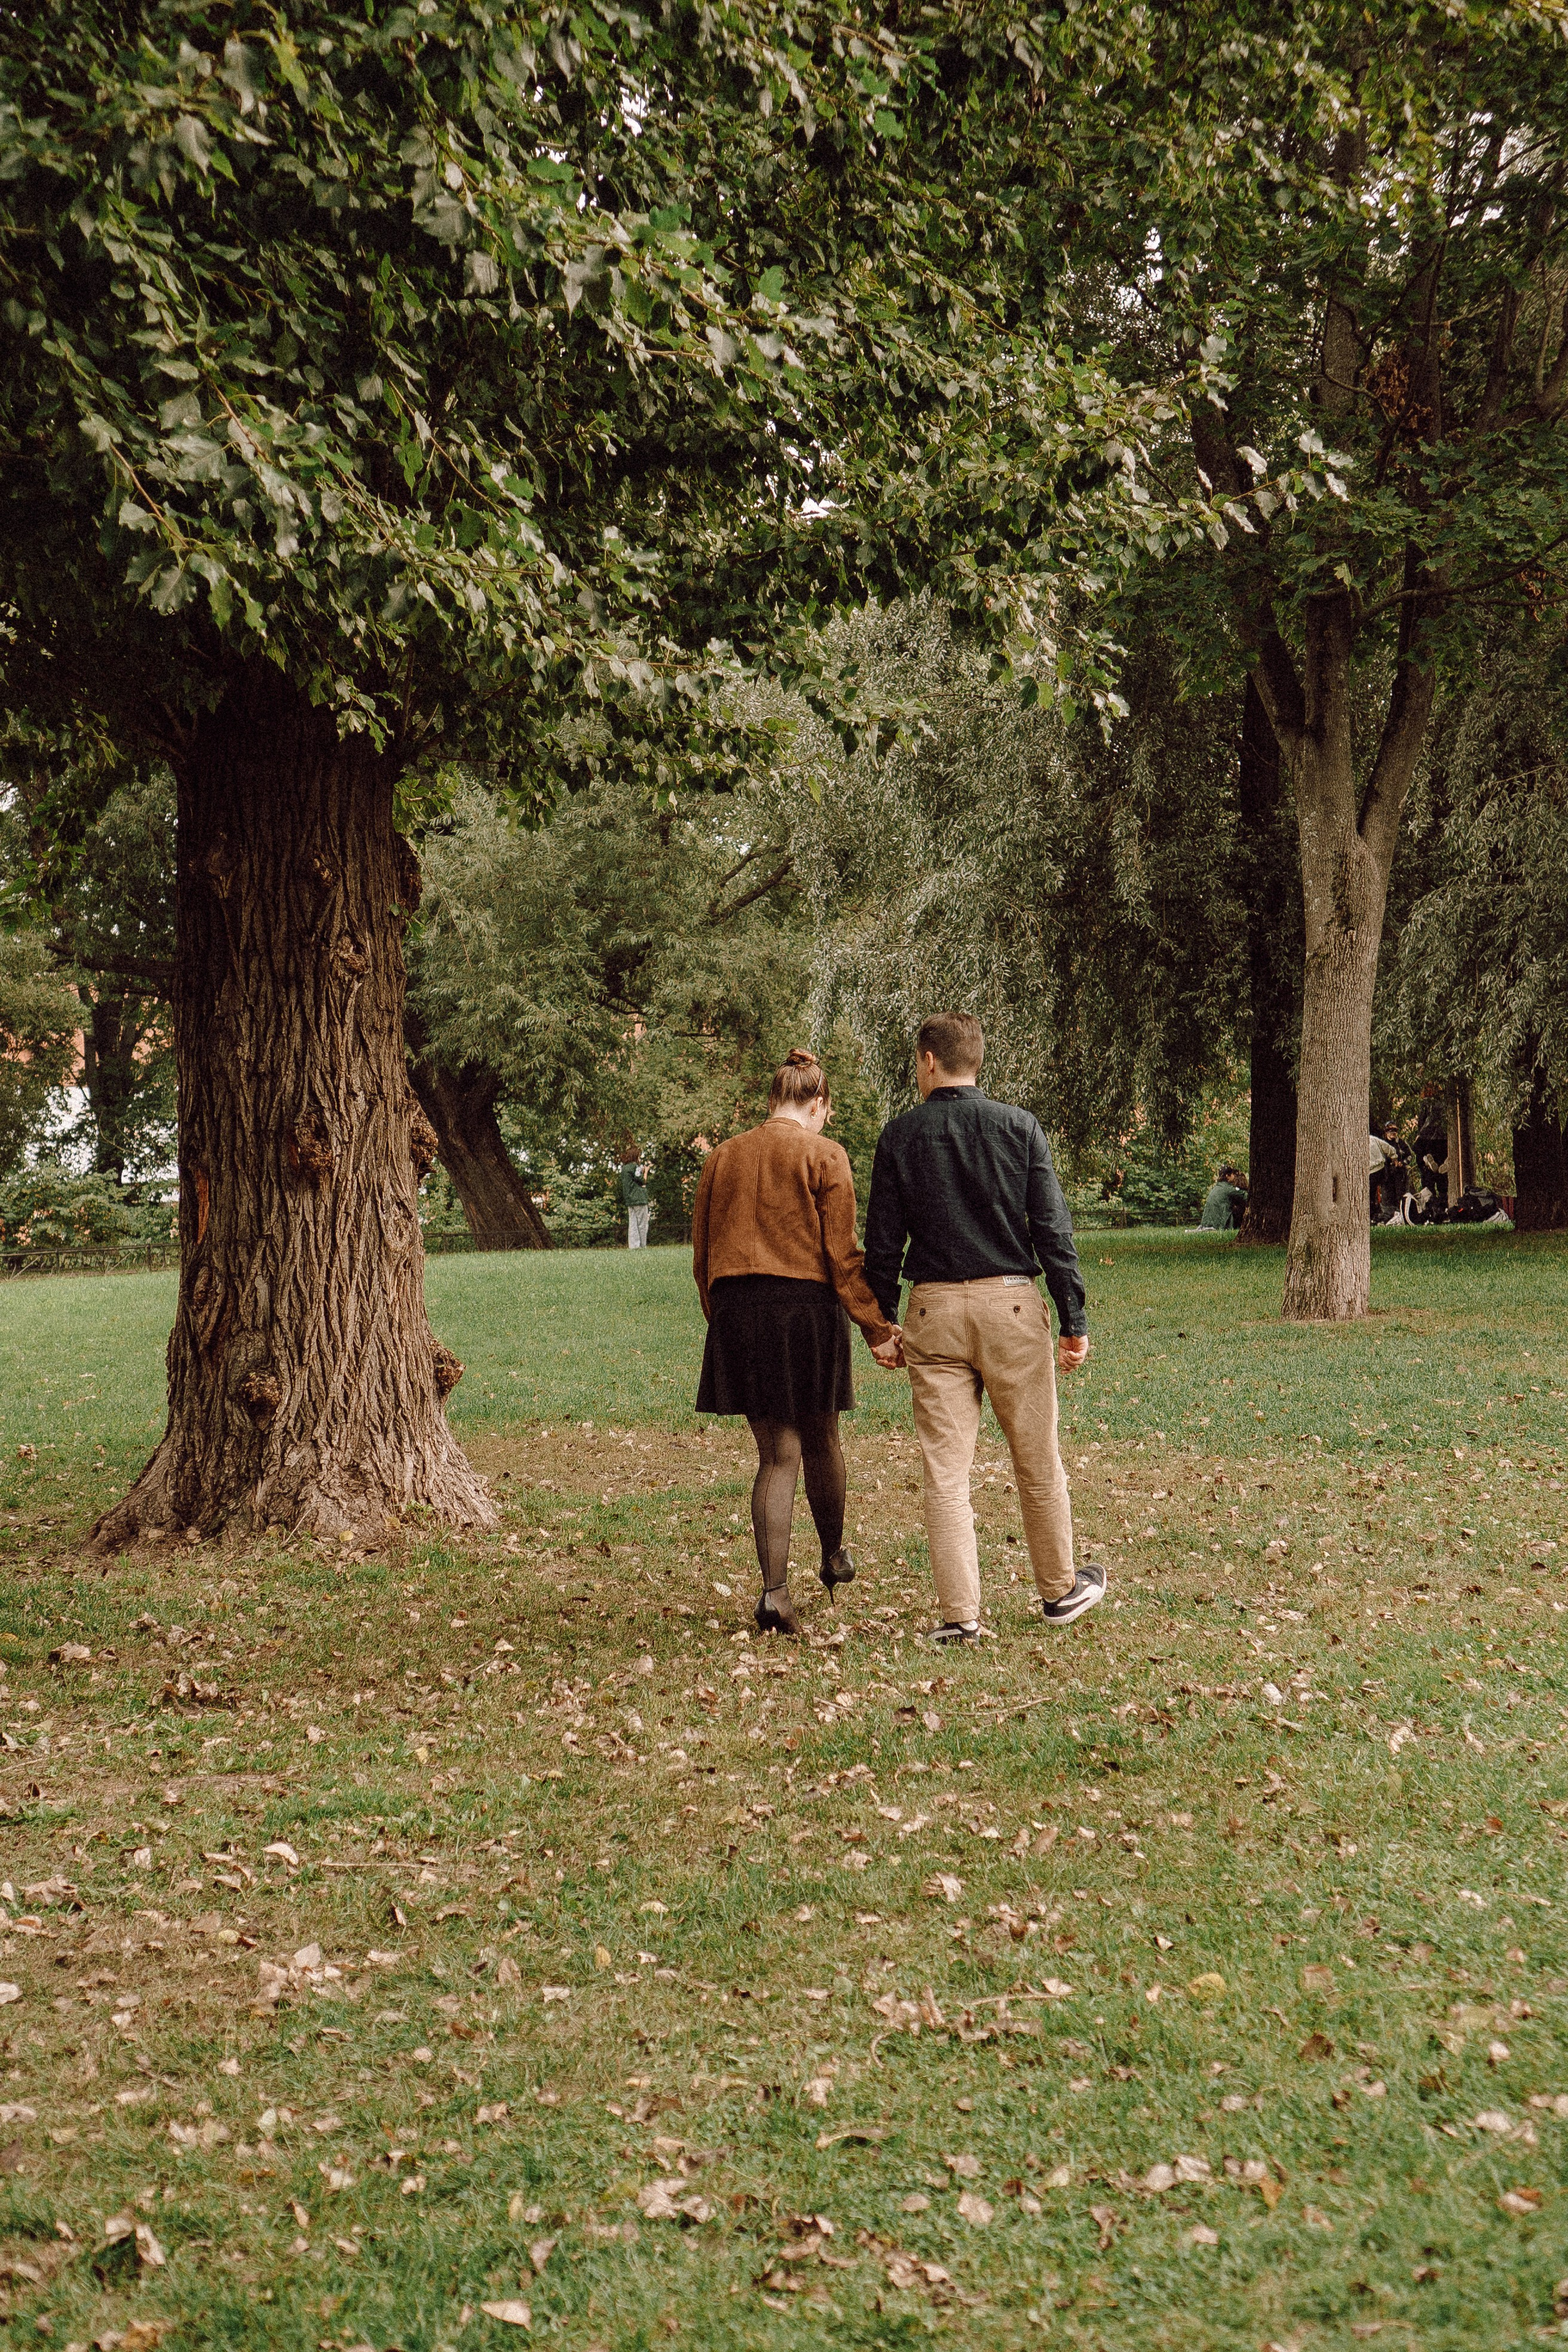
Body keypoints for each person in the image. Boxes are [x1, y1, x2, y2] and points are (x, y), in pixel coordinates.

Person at [863, 1011, 1102, 1645]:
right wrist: (1073, 1318)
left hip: (933, 1311)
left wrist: (880, 1323)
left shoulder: (900, 1136)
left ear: (928, 1060)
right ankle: (1058, 1590)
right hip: (1012, 1308)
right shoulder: (1019, 1127)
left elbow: (882, 1241)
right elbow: (1052, 1229)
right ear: (975, 1060)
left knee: (946, 1470)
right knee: (1036, 1456)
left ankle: (960, 1615)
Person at [691, 1048, 900, 1635]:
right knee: (822, 1436)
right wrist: (878, 1330)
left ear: (773, 1100)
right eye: (826, 1111)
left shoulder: (722, 1157)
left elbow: (702, 1255)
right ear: (818, 1104)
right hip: (807, 1310)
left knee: (776, 1455)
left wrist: (723, 1319)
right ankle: (833, 1557)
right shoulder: (825, 1154)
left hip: (737, 1310)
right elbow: (843, 1257)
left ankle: (775, 1594)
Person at [1199, 1166, 1249, 1230]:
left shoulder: (1217, 1187)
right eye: (1233, 1174)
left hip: (1206, 1224)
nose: (1234, 1176)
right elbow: (1246, 1196)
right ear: (1228, 1176)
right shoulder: (1229, 1189)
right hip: (1217, 1225)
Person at [619, 1155, 652, 1248]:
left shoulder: (624, 1169)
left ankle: (634, 1246)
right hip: (639, 1199)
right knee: (642, 1224)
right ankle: (642, 1245)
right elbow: (643, 1181)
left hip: (629, 1199)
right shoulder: (635, 1167)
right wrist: (646, 1172)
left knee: (633, 1224)